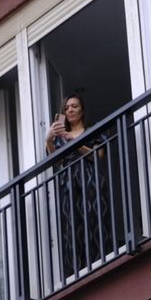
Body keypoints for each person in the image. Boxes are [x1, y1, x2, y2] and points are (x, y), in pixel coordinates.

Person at [44, 93, 106, 278]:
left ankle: (97, 262)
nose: (70, 110)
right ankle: (78, 270)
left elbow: (98, 156)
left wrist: (73, 141)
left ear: (82, 110)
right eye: (67, 108)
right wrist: (49, 139)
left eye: (74, 106)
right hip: (69, 183)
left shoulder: (93, 129)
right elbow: (57, 161)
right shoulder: (58, 137)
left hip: (90, 180)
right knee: (72, 226)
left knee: (94, 220)